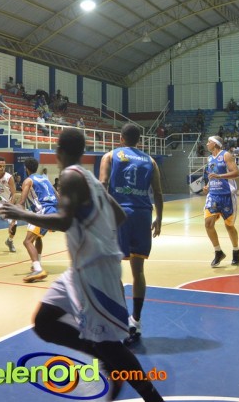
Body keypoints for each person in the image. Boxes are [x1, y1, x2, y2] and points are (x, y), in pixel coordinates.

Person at [0, 128, 164, 402]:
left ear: (58, 151)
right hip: (80, 269)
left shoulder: (71, 177)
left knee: (111, 346)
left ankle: (152, 397)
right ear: (83, 152)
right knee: (44, 322)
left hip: (94, 271)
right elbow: (119, 215)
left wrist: (21, 213)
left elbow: (64, 221)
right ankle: (106, 360)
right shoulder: (89, 178)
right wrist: (97, 231)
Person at [99, 123, 163, 346]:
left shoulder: (110, 156)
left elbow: (103, 184)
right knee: (139, 270)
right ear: (139, 140)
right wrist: (159, 218)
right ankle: (136, 320)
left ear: (121, 138)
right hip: (143, 215)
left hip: (119, 214)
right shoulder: (150, 161)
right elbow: (158, 192)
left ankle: (120, 318)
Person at [17, 157, 59, 283]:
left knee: (27, 241)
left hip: (43, 213)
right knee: (38, 237)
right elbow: (57, 195)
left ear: (26, 168)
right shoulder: (45, 179)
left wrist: (14, 218)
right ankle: (37, 263)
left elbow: (22, 202)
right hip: (53, 211)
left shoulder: (28, 181)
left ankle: (38, 269)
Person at [203, 136, 239, 266]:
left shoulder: (226, 155)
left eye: (209, 142)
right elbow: (212, 175)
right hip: (213, 195)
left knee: (229, 226)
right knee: (208, 223)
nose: (207, 144)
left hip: (227, 195)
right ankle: (218, 251)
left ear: (215, 144)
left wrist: (219, 176)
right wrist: (208, 186)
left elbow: (237, 173)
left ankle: (236, 251)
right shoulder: (209, 158)